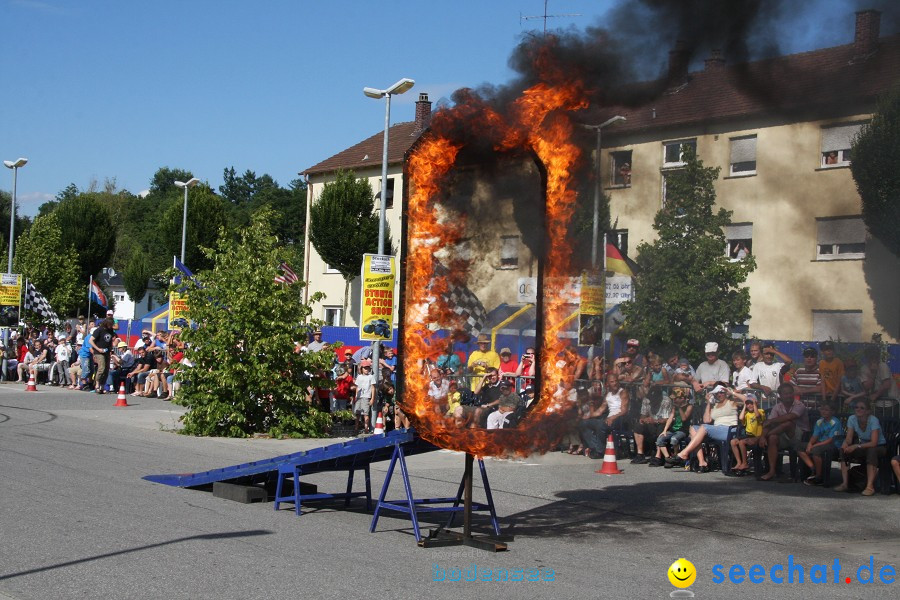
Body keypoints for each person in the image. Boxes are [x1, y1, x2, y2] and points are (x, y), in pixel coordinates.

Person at [672, 384, 742, 472]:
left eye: (721, 392)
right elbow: (706, 420)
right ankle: (702, 462)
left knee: (704, 427)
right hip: (716, 430)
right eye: (717, 393)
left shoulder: (732, 402)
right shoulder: (715, 405)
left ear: (725, 393)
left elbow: (748, 400)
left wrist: (732, 392)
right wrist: (709, 402)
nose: (719, 395)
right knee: (693, 428)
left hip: (729, 430)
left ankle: (685, 452)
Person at [758, 383, 810, 481]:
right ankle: (772, 471)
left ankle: (766, 436)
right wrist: (762, 436)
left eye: (790, 393)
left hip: (800, 436)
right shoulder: (777, 407)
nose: (788, 395)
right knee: (773, 438)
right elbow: (767, 424)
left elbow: (790, 417)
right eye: (785, 394)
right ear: (780, 396)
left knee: (787, 423)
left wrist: (770, 423)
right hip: (784, 435)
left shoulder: (800, 405)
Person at [835, 400, 887, 496]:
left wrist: (856, 446)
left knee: (872, 451)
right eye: (856, 407)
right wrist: (845, 444)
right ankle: (845, 483)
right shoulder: (852, 419)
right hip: (863, 446)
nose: (858, 409)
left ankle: (870, 486)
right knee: (844, 450)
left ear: (867, 411)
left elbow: (874, 442)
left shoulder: (873, 420)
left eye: (862, 408)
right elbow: (849, 438)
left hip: (879, 447)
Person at [579, 374, 629, 459]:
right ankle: (596, 448)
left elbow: (624, 410)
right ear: (608, 384)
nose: (615, 383)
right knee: (584, 424)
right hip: (608, 419)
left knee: (601, 425)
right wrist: (588, 415)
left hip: (619, 419)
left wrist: (612, 417)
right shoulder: (608, 395)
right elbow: (600, 411)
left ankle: (600, 452)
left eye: (616, 381)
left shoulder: (622, 392)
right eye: (612, 382)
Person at [632, 357, 671, 464]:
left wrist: (654, 420)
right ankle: (640, 454)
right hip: (650, 423)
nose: (652, 401)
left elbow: (666, 419)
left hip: (660, 423)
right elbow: (643, 415)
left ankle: (658, 456)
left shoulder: (665, 401)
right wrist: (643, 420)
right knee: (638, 426)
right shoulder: (646, 399)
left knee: (661, 429)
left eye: (654, 399)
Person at [799, 403, 842, 486]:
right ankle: (813, 468)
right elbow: (815, 435)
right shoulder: (819, 421)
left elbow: (831, 440)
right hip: (820, 443)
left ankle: (819, 477)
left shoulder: (835, 422)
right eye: (822, 409)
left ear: (832, 412)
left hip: (834, 445)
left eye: (826, 410)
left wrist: (815, 445)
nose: (823, 411)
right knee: (799, 447)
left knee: (816, 450)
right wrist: (810, 444)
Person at [651, 386, 693, 467]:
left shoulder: (689, 406)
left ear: (682, 398)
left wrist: (679, 407)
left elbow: (684, 418)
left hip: (683, 430)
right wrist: (665, 430)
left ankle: (676, 456)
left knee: (674, 439)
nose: (674, 400)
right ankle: (668, 458)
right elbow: (670, 418)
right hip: (674, 429)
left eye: (676, 398)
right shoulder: (674, 407)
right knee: (660, 439)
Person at [730, 396, 765, 474]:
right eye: (748, 404)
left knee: (742, 442)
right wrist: (744, 406)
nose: (749, 405)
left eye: (751, 403)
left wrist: (755, 405)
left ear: (756, 403)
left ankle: (745, 463)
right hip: (748, 435)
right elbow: (741, 418)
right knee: (733, 442)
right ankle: (739, 462)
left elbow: (757, 416)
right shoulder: (747, 414)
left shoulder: (760, 411)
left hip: (757, 436)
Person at [88, 318, 116, 394]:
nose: (111, 326)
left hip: (107, 351)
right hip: (99, 352)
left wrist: (111, 349)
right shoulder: (99, 330)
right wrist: (98, 349)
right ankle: (97, 385)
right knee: (102, 368)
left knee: (107, 369)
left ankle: (102, 386)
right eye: (110, 324)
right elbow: (90, 340)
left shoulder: (110, 331)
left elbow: (110, 341)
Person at [818, 341, 844, 406]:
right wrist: (824, 399)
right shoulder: (821, 363)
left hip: (837, 395)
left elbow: (839, 382)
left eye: (831, 349)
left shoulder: (838, 362)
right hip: (826, 394)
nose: (829, 351)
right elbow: (823, 381)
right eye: (827, 350)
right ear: (822, 352)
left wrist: (833, 399)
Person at [352, 359, 375, 434]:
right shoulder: (359, 377)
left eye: (368, 368)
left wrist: (372, 398)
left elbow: (372, 388)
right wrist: (356, 396)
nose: (366, 369)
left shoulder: (371, 377)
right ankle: (356, 428)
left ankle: (366, 428)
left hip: (366, 397)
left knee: (366, 413)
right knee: (357, 413)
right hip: (359, 397)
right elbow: (357, 387)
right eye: (365, 368)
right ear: (361, 368)